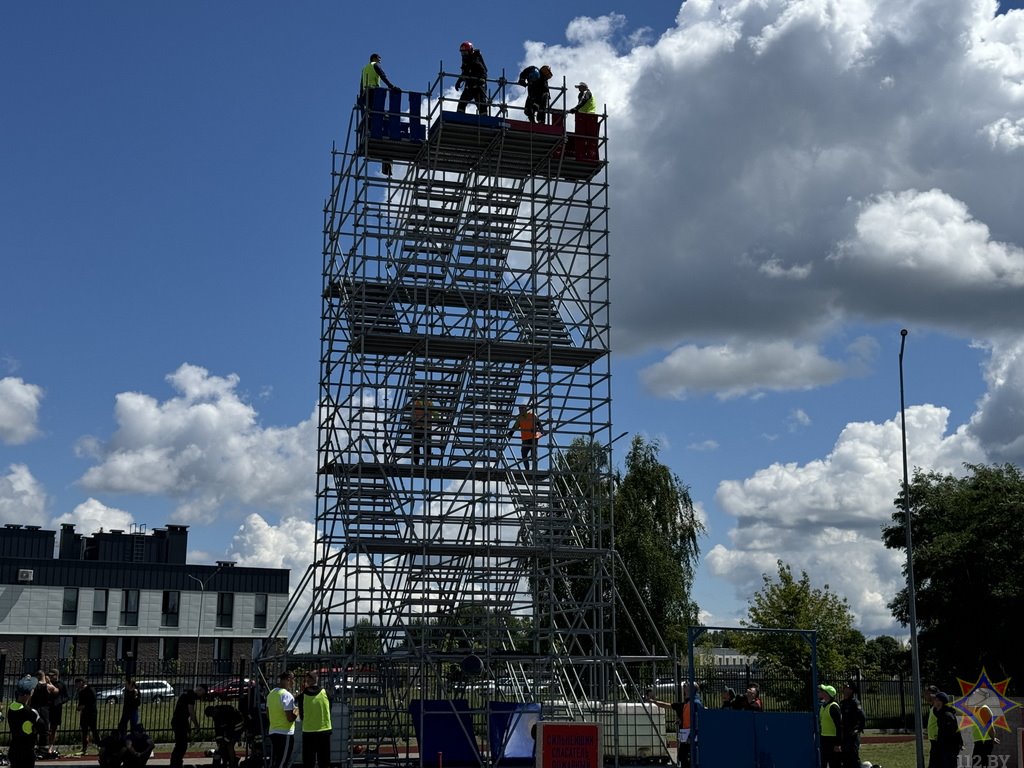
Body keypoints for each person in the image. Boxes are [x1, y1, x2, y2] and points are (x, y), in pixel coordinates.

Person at [648, 681, 701, 768]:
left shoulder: (695, 703)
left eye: (688, 684)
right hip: (685, 736)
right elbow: (666, 705)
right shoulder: (684, 704)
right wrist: (654, 701)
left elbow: (698, 720)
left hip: (691, 736)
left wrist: (691, 735)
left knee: (688, 757)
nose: (685, 684)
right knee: (682, 756)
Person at [297, 671, 333, 768]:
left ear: (307, 681)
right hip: (324, 730)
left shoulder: (302, 697)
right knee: (324, 762)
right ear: (317, 680)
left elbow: (301, 716)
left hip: (309, 732)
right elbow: (329, 709)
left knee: (308, 762)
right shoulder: (326, 693)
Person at [7, 676, 43, 768]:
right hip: (26, 752)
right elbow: (43, 727)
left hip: (14, 749)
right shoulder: (30, 712)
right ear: (29, 693)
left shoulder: (11, 707)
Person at [169, 683, 207, 768]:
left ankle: (176, 761)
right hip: (179, 722)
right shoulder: (191, 696)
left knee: (181, 744)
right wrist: (196, 725)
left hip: (180, 721)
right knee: (181, 745)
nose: (201, 696)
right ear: (200, 689)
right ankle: (175, 762)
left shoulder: (187, 694)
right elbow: (191, 712)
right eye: (202, 693)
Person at [267, 671, 298, 768]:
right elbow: (290, 718)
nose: (294, 683)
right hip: (285, 733)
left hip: (273, 731)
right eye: (293, 680)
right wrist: (297, 711)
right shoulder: (287, 695)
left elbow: (268, 714)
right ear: (289, 680)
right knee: (283, 762)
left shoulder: (271, 693)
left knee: (276, 760)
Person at [205, 704, 246, 768]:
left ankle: (232, 764)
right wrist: (219, 741)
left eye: (212, 715)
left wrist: (226, 739)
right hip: (230, 728)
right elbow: (218, 730)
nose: (212, 716)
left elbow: (230, 727)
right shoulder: (216, 716)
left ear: (213, 710)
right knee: (223, 746)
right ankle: (227, 761)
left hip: (237, 726)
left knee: (229, 745)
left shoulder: (225, 711)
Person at [456, 41, 489, 115]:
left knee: (482, 106)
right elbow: (464, 71)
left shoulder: (476, 59)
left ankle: (485, 121)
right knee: (462, 103)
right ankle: (459, 117)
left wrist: (481, 81)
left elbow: (484, 72)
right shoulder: (465, 60)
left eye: (465, 52)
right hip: (469, 86)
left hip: (478, 87)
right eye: (462, 53)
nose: (463, 54)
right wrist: (459, 81)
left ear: (470, 51)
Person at [930, 691, 962, 768]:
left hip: (949, 748)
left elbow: (955, 731)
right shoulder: (939, 713)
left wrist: (960, 743)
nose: (933, 701)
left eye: (935, 699)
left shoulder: (947, 716)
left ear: (940, 702)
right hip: (942, 747)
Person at [838, 680, 865, 768]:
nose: (845, 690)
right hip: (844, 734)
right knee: (844, 757)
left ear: (851, 691)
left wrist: (858, 729)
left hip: (852, 734)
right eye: (844, 688)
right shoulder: (842, 703)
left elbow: (862, 718)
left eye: (847, 688)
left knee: (853, 756)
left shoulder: (855, 703)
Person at [509, 404, 543, 470]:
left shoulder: (532, 415)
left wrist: (541, 430)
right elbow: (515, 427)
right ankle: (527, 469)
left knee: (534, 454)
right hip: (525, 439)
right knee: (524, 454)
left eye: (521, 409)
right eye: (519, 409)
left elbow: (538, 423)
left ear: (525, 409)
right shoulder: (520, 418)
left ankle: (535, 469)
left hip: (533, 437)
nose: (520, 410)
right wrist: (510, 434)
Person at [818, 684, 843, 768]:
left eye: (822, 691)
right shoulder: (823, 706)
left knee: (834, 763)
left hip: (832, 739)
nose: (820, 692)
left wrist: (838, 744)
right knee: (823, 762)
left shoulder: (834, 707)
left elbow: (839, 726)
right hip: (824, 738)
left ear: (827, 694)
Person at [75, 677, 101, 755]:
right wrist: (79, 707)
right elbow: (81, 702)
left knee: (94, 730)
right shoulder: (80, 691)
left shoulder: (90, 689)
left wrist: (84, 706)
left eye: (77, 683)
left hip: (92, 712)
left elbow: (93, 700)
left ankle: (100, 746)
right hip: (84, 713)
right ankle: (84, 748)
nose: (76, 685)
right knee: (84, 731)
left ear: (82, 682)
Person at [410, 391, 436, 465]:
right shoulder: (429, 403)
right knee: (427, 445)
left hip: (418, 427)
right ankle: (426, 461)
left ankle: (416, 462)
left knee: (416, 446)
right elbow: (436, 413)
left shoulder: (416, 402)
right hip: (426, 427)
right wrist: (435, 420)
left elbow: (412, 414)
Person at [47, 669, 69, 751]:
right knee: (45, 726)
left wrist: (60, 701)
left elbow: (66, 697)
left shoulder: (61, 684)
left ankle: (50, 746)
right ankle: (43, 744)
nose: (51, 677)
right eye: (50, 675)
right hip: (47, 707)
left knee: (53, 727)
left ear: (56, 675)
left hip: (56, 708)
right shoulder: (47, 684)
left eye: (52, 675)